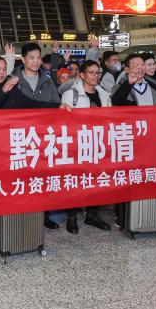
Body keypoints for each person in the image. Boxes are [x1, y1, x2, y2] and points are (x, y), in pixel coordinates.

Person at [59, 60, 113, 232]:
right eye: (91, 72)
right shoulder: (71, 95)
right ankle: (72, 217)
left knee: (96, 180)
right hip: (78, 144)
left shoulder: (104, 95)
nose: (95, 76)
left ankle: (92, 215)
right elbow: (64, 121)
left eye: (98, 73)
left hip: (98, 144)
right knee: (75, 182)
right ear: (82, 75)